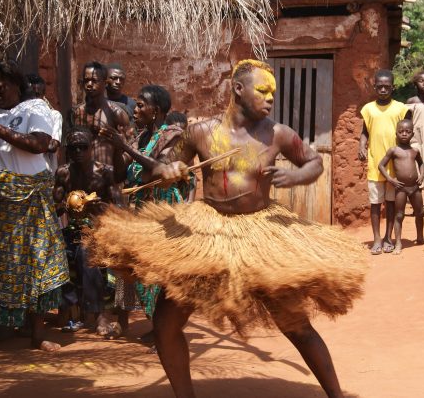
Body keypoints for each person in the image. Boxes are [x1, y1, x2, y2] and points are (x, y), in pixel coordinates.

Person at [84, 59, 367, 398]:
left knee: (295, 323)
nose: (270, 98)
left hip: (261, 232)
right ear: (237, 89)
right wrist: (168, 169)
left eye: (272, 92)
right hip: (207, 233)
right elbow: (164, 166)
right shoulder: (200, 132)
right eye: (262, 90)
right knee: (166, 322)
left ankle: (336, 394)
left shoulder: (278, 133)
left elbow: (314, 162)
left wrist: (295, 176)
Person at [0, 60, 68, 351]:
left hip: (33, 198)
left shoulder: (34, 108)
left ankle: (37, 334)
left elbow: (39, 144)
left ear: (15, 84)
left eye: (2, 85)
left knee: (38, 262)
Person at [101, 84, 192, 338]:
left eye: (141, 105)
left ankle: (162, 329)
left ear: (156, 110)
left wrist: (126, 147)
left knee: (159, 270)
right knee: (124, 262)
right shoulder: (140, 136)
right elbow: (121, 174)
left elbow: (160, 169)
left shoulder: (173, 135)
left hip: (162, 210)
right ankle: (122, 319)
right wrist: (118, 148)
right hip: (139, 209)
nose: (136, 109)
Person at [53, 128, 121, 335]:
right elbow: (54, 207)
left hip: (99, 230)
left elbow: (118, 205)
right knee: (58, 254)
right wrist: (68, 205)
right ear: (67, 151)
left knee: (86, 253)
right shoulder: (63, 173)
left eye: (83, 147)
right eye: (73, 148)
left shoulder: (104, 172)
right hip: (72, 229)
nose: (78, 152)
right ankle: (70, 312)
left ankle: (98, 314)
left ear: (91, 148)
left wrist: (101, 207)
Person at [359, 69, 411, 255]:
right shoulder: (368, 109)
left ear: (393, 87)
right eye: (379, 86)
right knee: (375, 203)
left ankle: (389, 237)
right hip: (375, 164)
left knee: (391, 203)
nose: (382, 90)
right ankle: (377, 239)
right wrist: (361, 145)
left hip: (395, 166)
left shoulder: (401, 109)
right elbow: (365, 131)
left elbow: (408, 133)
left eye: (386, 87)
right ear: (374, 87)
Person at [71, 61, 131, 181]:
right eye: (86, 80)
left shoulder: (116, 113)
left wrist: (118, 176)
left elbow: (130, 148)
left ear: (104, 83)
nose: (89, 84)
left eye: (94, 81)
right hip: (82, 181)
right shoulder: (77, 113)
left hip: (108, 181)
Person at [377, 119, 424, 255]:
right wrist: (390, 179)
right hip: (401, 188)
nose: (404, 134)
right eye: (401, 131)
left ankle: (420, 237)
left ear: (412, 134)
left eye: (408, 132)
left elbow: (421, 164)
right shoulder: (393, 150)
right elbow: (381, 165)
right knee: (399, 215)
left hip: (415, 187)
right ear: (396, 133)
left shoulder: (415, 151)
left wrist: (422, 175)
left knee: (420, 212)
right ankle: (398, 242)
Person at [406, 70, 424, 213]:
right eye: (421, 81)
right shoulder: (411, 102)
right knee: (417, 169)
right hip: (415, 138)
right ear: (415, 84)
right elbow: (406, 122)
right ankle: (416, 206)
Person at [25, 74, 62, 172]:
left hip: (45, 171)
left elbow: (53, 146)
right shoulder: (18, 116)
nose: (34, 99)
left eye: (37, 95)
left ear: (43, 95)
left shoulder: (54, 115)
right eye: (30, 95)